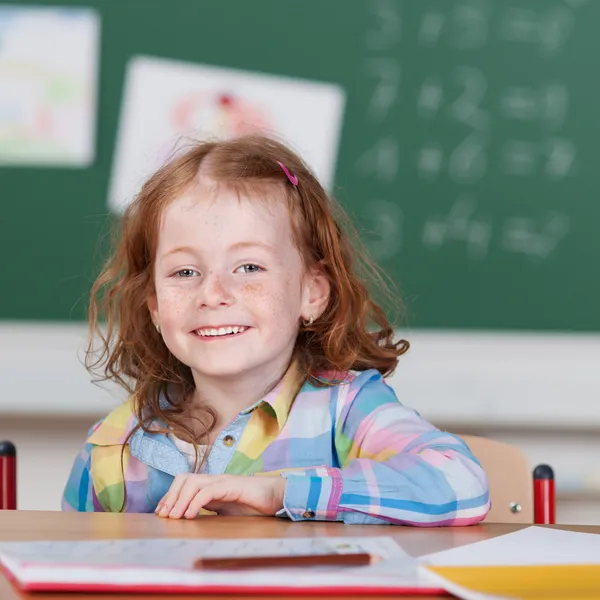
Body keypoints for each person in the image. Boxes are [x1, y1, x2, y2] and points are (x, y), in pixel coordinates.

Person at [62, 134, 490, 525]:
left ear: (312, 292)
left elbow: (462, 481)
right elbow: (68, 565)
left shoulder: (344, 409)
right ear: (154, 306)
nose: (212, 294)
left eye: (249, 267)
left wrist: (280, 491)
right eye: (185, 271)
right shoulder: (113, 447)